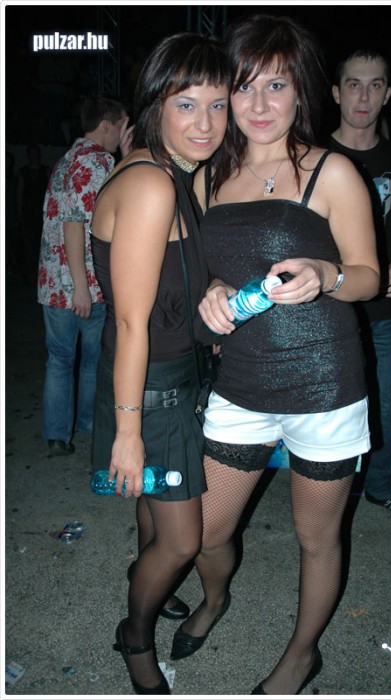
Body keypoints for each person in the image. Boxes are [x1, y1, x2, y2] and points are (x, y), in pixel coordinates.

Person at [169, 15, 380, 696]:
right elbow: (200, 267)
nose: (259, 104)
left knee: (316, 539)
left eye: (277, 85)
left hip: (326, 386)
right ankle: (216, 597)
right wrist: (211, 289)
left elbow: (368, 276)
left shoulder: (330, 171)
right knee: (203, 534)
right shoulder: (209, 176)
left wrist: (326, 274)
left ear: (300, 92)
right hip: (240, 385)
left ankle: (300, 656)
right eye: (244, 86)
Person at [90, 33, 229, 694]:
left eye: (218, 105)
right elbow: (130, 320)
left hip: (160, 380)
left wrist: (210, 289)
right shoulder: (151, 183)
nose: (206, 123)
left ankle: (144, 580)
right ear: (155, 105)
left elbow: (171, 278)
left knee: (152, 511)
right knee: (181, 540)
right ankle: (135, 636)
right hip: (149, 391)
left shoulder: (168, 171)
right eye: (186, 104)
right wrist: (127, 432)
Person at [329, 49, 391, 525]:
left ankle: (380, 485)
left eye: (374, 85)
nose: (363, 96)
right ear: (336, 93)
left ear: (387, 94)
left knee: (382, 407)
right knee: (326, 409)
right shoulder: (314, 155)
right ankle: (329, 492)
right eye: (354, 84)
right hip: (326, 309)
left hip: (381, 313)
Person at [37, 94, 131, 456]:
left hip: (52, 283)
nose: (124, 133)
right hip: (84, 285)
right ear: (107, 125)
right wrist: (81, 287)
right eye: (122, 125)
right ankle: (88, 424)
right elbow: (75, 223)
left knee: (59, 361)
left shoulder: (66, 160)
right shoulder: (97, 162)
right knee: (90, 362)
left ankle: (57, 434)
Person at [17, 144, 51, 284]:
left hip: (42, 212)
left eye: (36, 154)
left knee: (42, 242)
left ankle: (43, 270)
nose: (34, 157)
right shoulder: (23, 171)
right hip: (29, 212)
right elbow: (20, 192)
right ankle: (30, 271)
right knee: (29, 242)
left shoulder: (45, 170)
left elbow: (51, 190)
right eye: (31, 154)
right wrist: (19, 209)